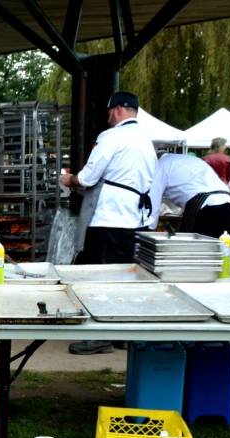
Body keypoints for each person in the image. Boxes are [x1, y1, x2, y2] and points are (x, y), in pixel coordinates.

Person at [59, 91, 155, 355]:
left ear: (118, 110)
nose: (108, 116)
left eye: (110, 111)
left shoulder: (111, 137)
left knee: (100, 278)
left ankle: (100, 336)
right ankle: (122, 333)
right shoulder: (146, 141)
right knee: (126, 279)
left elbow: (88, 177)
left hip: (108, 217)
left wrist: (69, 180)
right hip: (135, 218)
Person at [147, 153, 230, 238]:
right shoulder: (189, 159)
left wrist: (149, 230)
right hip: (227, 201)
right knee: (227, 246)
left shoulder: (161, 164)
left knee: (189, 246)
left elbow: (152, 201)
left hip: (204, 204)